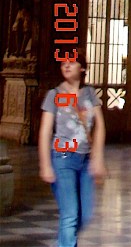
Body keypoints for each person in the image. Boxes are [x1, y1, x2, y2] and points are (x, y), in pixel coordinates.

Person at [38, 51, 106, 247]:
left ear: (82, 67)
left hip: (85, 161)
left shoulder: (89, 93)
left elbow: (100, 126)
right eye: (63, 63)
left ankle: (62, 243)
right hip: (63, 158)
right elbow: (44, 132)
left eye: (72, 62)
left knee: (85, 214)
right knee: (69, 215)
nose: (66, 65)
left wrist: (98, 158)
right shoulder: (54, 94)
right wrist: (45, 165)